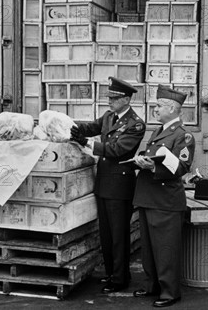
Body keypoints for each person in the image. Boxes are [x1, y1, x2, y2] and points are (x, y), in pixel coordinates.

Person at [70, 77, 146, 294]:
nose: (109, 101)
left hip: (120, 186)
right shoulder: (109, 116)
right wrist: (72, 128)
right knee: (106, 234)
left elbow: (117, 150)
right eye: (109, 97)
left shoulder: (135, 124)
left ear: (126, 99)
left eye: (114, 98)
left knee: (118, 234)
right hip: (104, 183)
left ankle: (121, 278)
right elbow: (91, 126)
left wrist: (86, 142)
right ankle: (111, 273)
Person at [132, 85, 195, 308]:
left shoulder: (183, 136)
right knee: (148, 248)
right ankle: (152, 285)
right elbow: (154, 157)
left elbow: (182, 167)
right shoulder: (158, 131)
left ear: (172, 108)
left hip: (165, 201)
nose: (155, 109)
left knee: (166, 249)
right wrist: (142, 161)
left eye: (158, 106)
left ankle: (170, 292)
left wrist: (151, 168)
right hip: (149, 197)